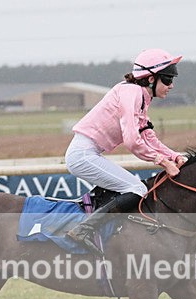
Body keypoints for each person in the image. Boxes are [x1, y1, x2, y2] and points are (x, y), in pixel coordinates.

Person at [65, 48, 186, 255]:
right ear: (150, 78)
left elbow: (148, 137)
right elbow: (132, 141)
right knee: (136, 189)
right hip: (83, 155)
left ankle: (101, 233)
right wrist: (164, 162)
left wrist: (174, 156)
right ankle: (82, 231)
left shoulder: (139, 95)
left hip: (89, 152)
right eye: (167, 79)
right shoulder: (132, 93)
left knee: (130, 187)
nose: (171, 85)